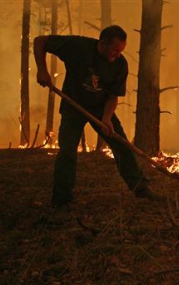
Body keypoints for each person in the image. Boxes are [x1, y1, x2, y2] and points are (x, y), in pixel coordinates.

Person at [34, 25, 163, 217]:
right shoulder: (78, 46)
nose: (117, 55)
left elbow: (113, 96)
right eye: (114, 50)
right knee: (67, 152)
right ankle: (61, 201)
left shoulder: (120, 64)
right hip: (73, 106)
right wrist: (42, 70)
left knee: (122, 146)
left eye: (120, 51)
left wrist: (107, 118)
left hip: (100, 108)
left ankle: (141, 189)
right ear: (102, 43)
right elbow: (40, 41)